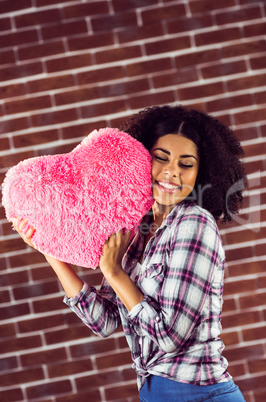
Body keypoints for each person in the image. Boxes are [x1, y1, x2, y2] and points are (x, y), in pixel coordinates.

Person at [14, 105, 246, 401]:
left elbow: (170, 337)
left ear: (201, 173)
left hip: (199, 395)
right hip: (155, 393)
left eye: (186, 164)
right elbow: (106, 321)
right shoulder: (138, 228)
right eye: (161, 158)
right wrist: (48, 247)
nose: (172, 171)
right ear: (140, 160)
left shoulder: (195, 224)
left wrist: (114, 272)